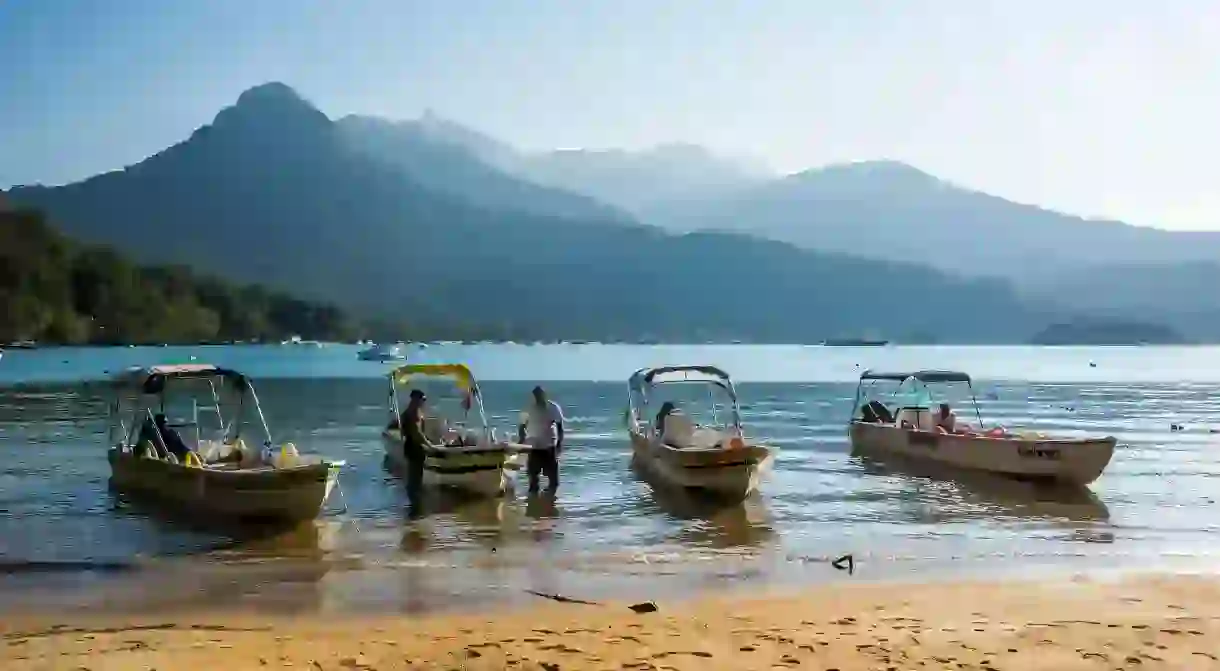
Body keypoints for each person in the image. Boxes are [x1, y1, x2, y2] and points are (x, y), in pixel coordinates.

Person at [517, 385, 565, 493]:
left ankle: (550, 503)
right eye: (536, 396)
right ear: (534, 396)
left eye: (540, 395)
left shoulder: (553, 407)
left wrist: (559, 444)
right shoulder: (528, 408)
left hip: (549, 447)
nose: (538, 398)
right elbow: (521, 427)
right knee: (533, 480)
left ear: (544, 395)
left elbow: (560, 427)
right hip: (534, 447)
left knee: (553, 482)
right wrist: (521, 441)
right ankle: (534, 504)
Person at [400, 389, 432, 499]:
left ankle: (413, 501)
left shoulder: (409, 411)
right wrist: (429, 445)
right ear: (415, 399)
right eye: (422, 399)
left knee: (414, 476)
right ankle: (415, 504)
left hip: (410, 446)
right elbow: (416, 433)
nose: (423, 402)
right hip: (414, 447)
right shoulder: (413, 412)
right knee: (415, 476)